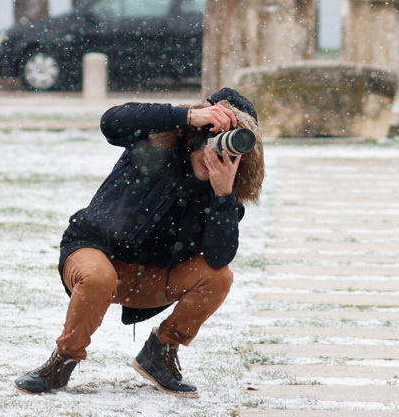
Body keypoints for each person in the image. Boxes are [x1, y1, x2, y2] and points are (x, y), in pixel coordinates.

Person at [15, 88, 263, 398]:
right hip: (95, 252)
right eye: (215, 147)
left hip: (150, 278)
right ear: (197, 137)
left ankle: (160, 353)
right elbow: (112, 122)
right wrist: (187, 115)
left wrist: (223, 196)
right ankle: (62, 362)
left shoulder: (222, 194)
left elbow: (218, 257)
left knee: (220, 277)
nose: (218, 159)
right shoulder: (155, 143)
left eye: (231, 155)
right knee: (98, 277)